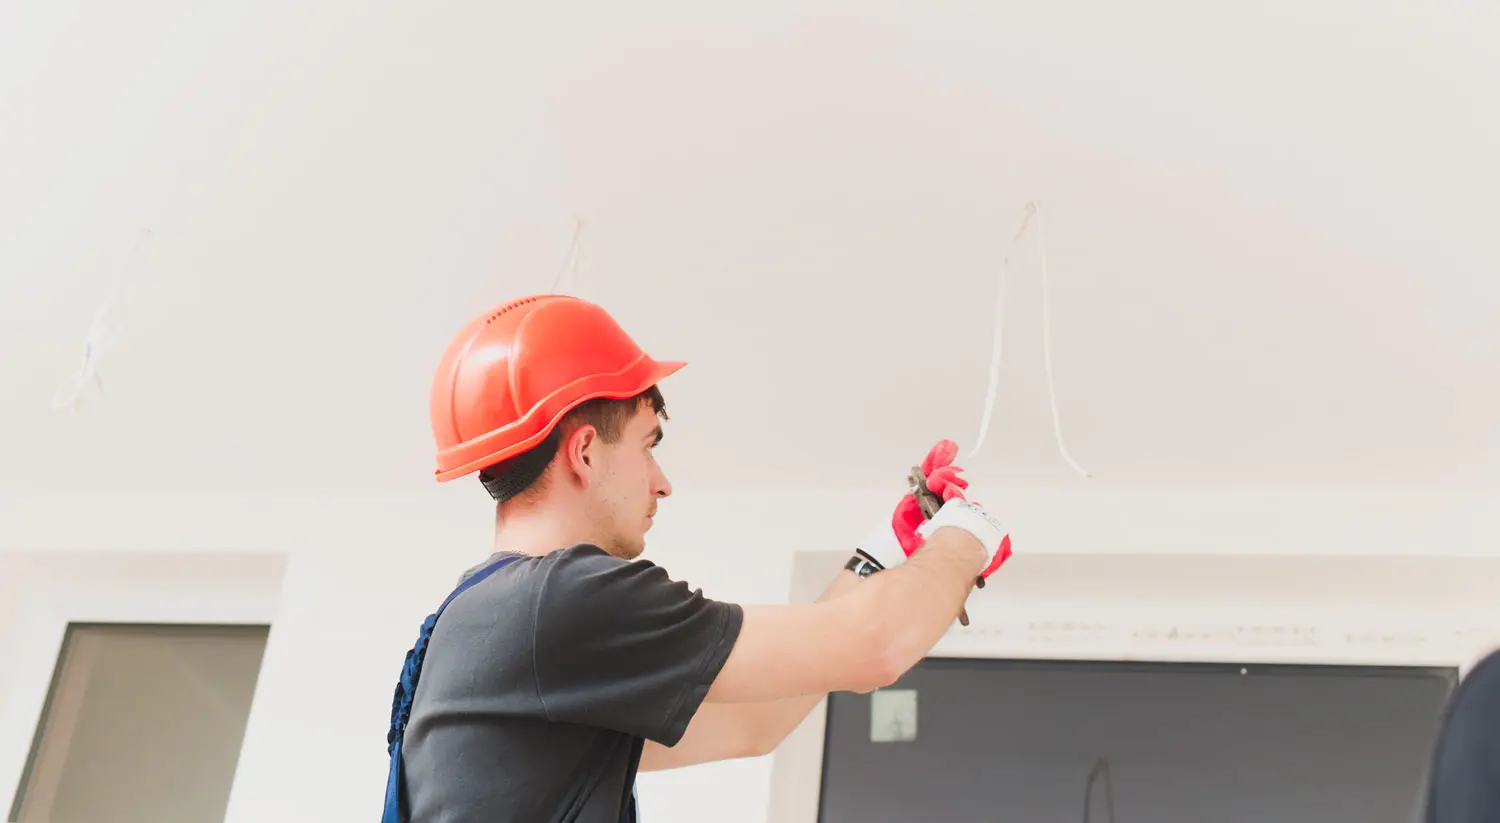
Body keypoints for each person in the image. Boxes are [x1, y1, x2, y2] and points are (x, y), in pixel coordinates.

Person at [383, 294, 1013, 822]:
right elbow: (877, 646)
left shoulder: (491, 622)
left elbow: (753, 725)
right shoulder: (567, 600)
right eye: (648, 446)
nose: (662, 483)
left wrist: (880, 554)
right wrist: (967, 534)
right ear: (584, 452)